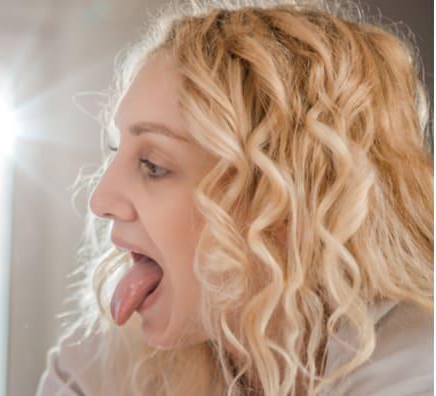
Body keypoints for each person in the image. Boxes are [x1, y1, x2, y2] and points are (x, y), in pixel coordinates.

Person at [38, 0, 434, 395]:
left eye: (154, 164)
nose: (101, 200)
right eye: (115, 150)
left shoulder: (417, 363)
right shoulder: (103, 364)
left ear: (283, 199)